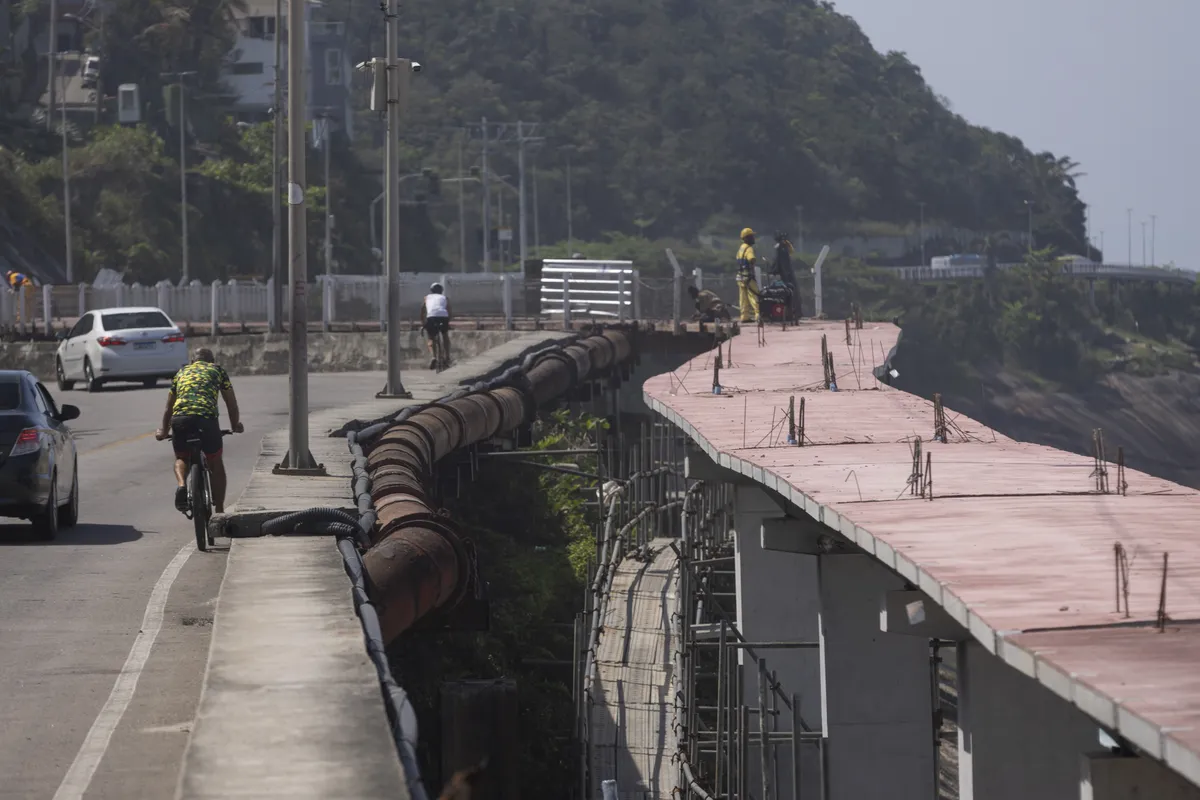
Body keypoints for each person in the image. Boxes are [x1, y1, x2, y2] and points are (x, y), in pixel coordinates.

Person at [155, 348, 243, 514]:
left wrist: (163, 431)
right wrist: (235, 425)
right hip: (206, 420)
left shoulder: (181, 373)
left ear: (192, 362)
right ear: (212, 361)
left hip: (181, 419)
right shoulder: (217, 370)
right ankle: (220, 510)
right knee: (215, 462)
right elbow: (231, 403)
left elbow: (168, 408)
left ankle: (182, 485)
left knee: (181, 457)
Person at [420, 282, 452, 368]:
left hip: (431, 317)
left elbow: (423, 311)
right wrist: (448, 322)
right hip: (443, 317)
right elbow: (449, 310)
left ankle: (434, 357)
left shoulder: (427, 298)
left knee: (431, 338)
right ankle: (447, 357)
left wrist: (423, 323)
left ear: (431, 291)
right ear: (441, 291)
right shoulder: (445, 298)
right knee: (445, 336)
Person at [735, 227, 760, 323]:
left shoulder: (740, 248)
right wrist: (753, 262)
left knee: (743, 298)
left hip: (740, 277)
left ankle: (744, 316)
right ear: (746, 238)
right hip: (748, 277)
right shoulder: (749, 249)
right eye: (751, 236)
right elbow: (751, 259)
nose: (753, 238)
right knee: (754, 295)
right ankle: (758, 314)